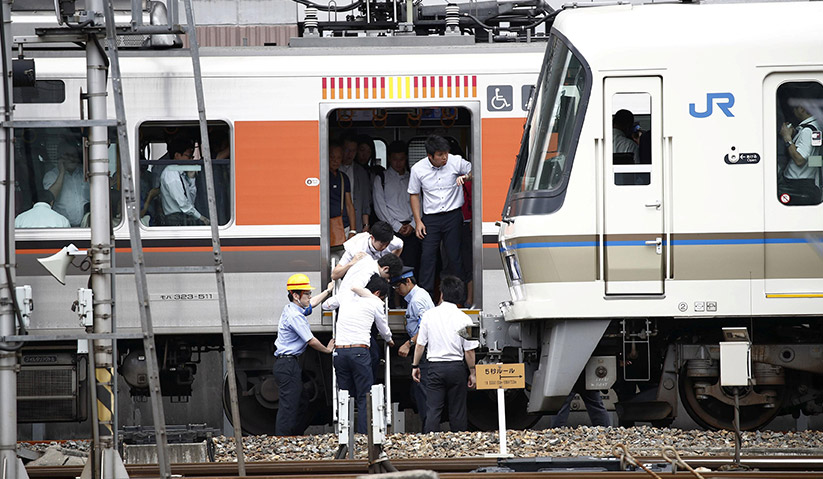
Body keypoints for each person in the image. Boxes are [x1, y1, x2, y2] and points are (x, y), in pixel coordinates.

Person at [411, 275, 478, 433]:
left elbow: (420, 344)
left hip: (435, 367)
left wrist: (415, 365)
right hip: (456, 367)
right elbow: (469, 350)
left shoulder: (429, 315)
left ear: (441, 294)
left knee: (433, 408)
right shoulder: (466, 318)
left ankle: (430, 442)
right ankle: (459, 441)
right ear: (460, 296)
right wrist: (473, 372)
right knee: (458, 409)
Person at [408, 135, 472, 297]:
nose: (445, 158)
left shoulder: (455, 161)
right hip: (431, 219)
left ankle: (458, 296)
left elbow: (474, 170)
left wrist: (466, 177)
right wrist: (418, 221)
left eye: (446, 153)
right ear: (430, 156)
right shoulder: (418, 169)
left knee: (455, 256)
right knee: (428, 257)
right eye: (440, 155)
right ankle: (425, 297)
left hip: (453, 216)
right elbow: (414, 194)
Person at [273, 274, 336, 436]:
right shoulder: (295, 316)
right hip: (288, 364)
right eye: (307, 294)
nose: (310, 296)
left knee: (300, 401)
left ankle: (293, 435)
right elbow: (311, 340)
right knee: (289, 405)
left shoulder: (293, 308)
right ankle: (283, 439)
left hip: (288, 364)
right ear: (295, 295)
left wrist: (328, 291)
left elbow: (312, 304)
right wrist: (327, 350)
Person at [333, 273, 394, 434]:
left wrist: (330, 291)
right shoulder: (374, 304)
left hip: (340, 351)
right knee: (364, 396)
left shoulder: (345, 297)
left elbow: (326, 305)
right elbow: (383, 328)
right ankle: (362, 434)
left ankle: (343, 434)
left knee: (344, 395)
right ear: (377, 294)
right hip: (360, 352)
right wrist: (389, 339)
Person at [392, 266, 435, 427]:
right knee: (418, 390)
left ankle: (428, 429)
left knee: (423, 392)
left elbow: (426, 327)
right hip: (423, 348)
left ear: (408, 281)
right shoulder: (417, 297)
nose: (396, 290)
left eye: (398, 286)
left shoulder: (417, 300)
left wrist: (408, 343)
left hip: (424, 350)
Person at [373, 140, 421, 276]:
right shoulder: (381, 178)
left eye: (401, 159)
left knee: (411, 267)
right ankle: (393, 298)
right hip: (391, 231)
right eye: (395, 159)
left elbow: (420, 201)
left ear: (406, 158)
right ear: (389, 159)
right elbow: (380, 207)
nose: (398, 163)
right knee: (391, 269)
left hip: (412, 230)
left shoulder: (413, 177)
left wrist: (413, 224)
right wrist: (396, 226)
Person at [779, 87, 822, 201]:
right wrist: (795, 135)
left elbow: (799, 159)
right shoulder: (815, 127)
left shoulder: (808, 131)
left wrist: (787, 137)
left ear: (802, 109)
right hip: (808, 179)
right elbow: (813, 158)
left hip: (797, 184)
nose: (793, 111)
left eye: (795, 108)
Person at [159, 138, 209, 226]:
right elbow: (182, 202)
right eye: (188, 156)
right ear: (177, 155)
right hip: (176, 219)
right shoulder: (171, 173)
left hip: (184, 217)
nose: (190, 160)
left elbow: (190, 201)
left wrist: (191, 179)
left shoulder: (181, 174)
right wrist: (200, 217)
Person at [332, 221, 403, 280]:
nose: (384, 247)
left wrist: (391, 260)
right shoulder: (356, 247)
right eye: (381, 244)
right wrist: (352, 263)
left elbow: (400, 246)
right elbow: (334, 275)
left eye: (387, 244)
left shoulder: (394, 241)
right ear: (372, 238)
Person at [42, 150, 89, 227]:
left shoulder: (84, 174)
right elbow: (49, 198)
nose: (72, 159)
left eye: (74, 155)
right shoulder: (51, 175)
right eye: (68, 155)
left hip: (85, 226)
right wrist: (62, 172)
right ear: (60, 158)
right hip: (61, 227)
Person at [341, 133, 372, 233]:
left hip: (356, 220)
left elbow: (365, 201)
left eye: (353, 150)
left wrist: (366, 225)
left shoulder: (360, 171)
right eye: (347, 150)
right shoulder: (332, 169)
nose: (350, 154)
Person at [330, 140, 357, 246]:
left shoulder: (343, 177)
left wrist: (353, 230)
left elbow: (349, 204)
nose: (335, 161)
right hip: (324, 226)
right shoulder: (320, 176)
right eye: (332, 157)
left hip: (343, 224)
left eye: (338, 157)